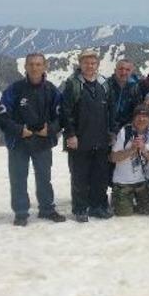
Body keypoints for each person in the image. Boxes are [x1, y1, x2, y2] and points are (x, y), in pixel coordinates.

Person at [0, 52, 66, 227]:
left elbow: (62, 116)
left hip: (42, 142)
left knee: (44, 177)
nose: (35, 68)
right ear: (25, 67)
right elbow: (2, 115)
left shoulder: (51, 90)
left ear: (44, 67)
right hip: (18, 142)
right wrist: (19, 130)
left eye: (38, 64)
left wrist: (50, 130)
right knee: (18, 178)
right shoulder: (14, 90)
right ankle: (21, 212)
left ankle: (47, 209)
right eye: (31, 64)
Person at [60, 49, 116, 222]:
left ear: (98, 65)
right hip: (79, 139)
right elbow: (65, 112)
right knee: (80, 176)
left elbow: (111, 111)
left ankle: (98, 206)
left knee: (100, 175)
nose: (90, 66)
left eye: (93, 63)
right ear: (80, 64)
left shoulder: (104, 84)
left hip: (100, 138)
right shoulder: (73, 84)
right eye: (86, 63)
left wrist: (112, 132)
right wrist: (70, 134)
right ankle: (80, 208)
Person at [110, 105, 149, 217]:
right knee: (123, 213)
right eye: (138, 116)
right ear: (133, 118)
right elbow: (113, 157)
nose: (141, 119)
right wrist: (132, 149)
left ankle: (137, 201)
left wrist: (144, 148)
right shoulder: (125, 132)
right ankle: (119, 199)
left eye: (145, 116)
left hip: (143, 181)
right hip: (123, 182)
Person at [107, 59, 141, 129]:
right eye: (120, 69)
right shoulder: (106, 85)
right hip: (106, 128)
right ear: (115, 70)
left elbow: (138, 110)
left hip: (127, 129)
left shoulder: (136, 88)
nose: (123, 72)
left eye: (127, 70)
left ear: (131, 72)